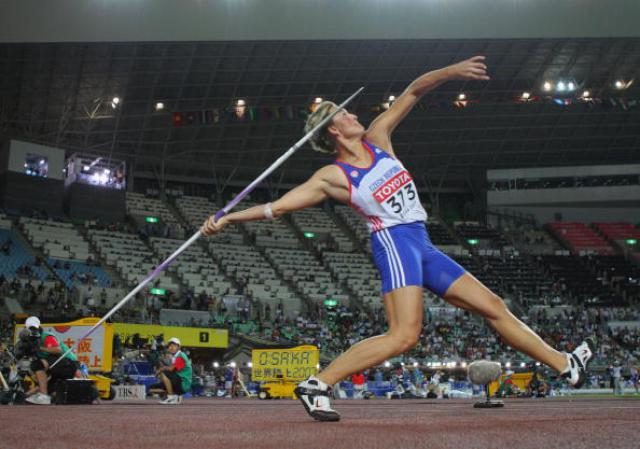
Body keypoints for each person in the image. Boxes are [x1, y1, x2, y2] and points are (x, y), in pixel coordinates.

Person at [200, 56, 595, 422]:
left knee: (492, 305)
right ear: (333, 130)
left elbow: (413, 91)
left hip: (421, 241)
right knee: (404, 335)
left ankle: (564, 365)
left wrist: (451, 71)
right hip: (393, 242)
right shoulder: (333, 176)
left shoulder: (379, 138)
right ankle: (318, 383)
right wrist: (229, 216)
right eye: (344, 113)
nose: (354, 114)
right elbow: (279, 208)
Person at [23, 316, 79, 405]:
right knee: (46, 383)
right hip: (58, 365)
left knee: (37, 364)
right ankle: (40, 394)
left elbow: (58, 350)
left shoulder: (46, 336)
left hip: (68, 361)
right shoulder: (32, 341)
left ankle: (43, 396)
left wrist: (40, 348)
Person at [152, 337, 192, 405]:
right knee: (151, 389)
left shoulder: (181, 356)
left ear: (179, 347)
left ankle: (171, 397)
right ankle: (175, 395)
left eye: (174, 346)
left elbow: (171, 369)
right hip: (178, 381)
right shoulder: (174, 357)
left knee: (163, 373)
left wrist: (160, 370)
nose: (171, 347)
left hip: (183, 384)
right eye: (170, 346)